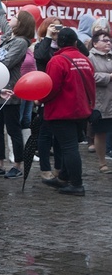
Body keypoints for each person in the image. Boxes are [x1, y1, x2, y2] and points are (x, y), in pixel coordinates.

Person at [41, 28, 95, 196]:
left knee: (69, 147)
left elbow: (52, 88)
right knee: (69, 145)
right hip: (82, 110)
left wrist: (41, 99)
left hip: (62, 110)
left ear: (59, 43)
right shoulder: (85, 59)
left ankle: (76, 184)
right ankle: (64, 177)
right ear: (75, 42)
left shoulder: (57, 61)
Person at [0, 0, 35, 178]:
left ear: (22, 23)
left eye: (16, 17)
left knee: (13, 129)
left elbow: (6, 63)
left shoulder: (21, 43)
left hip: (10, 91)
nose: (12, 18)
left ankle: (18, 164)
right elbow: (1, 18)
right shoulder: (10, 36)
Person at [88, 31, 112, 174]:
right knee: (101, 132)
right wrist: (108, 77)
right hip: (102, 101)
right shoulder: (90, 58)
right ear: (95, 43)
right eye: (104, 40)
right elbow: (90, 76)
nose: (108, 43)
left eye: (109, 40)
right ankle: (102, 162)